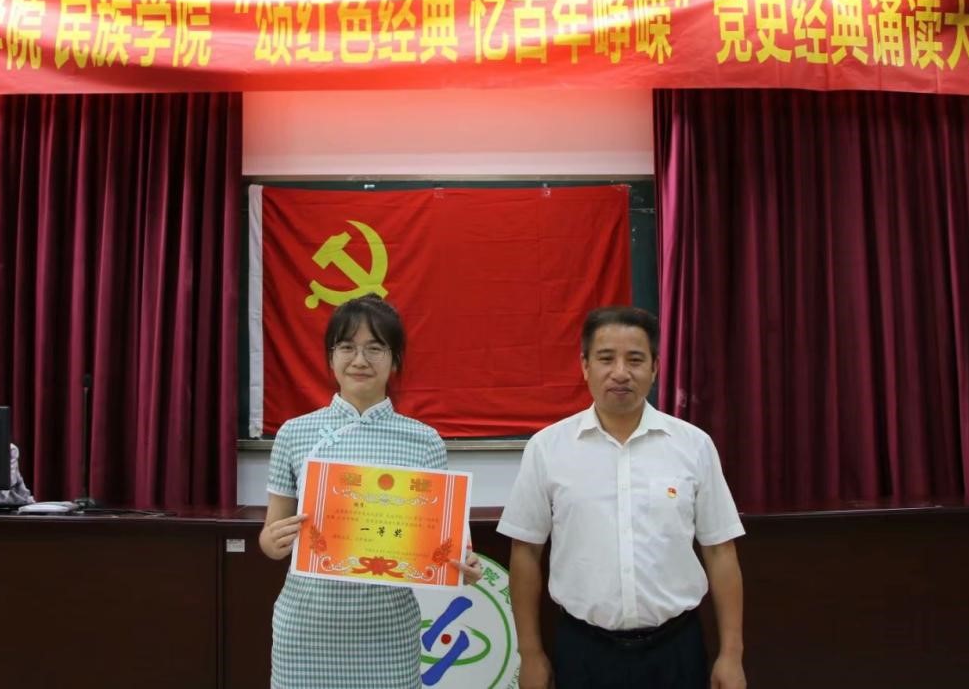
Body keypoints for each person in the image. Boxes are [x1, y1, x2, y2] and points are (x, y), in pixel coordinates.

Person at [499, 306, 747, 689]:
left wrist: (731, 655)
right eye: (605, 358)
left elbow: (720, 551)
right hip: (584, 650)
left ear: (655, 367)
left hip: (676, 649)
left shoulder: (693, 446)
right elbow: (526, 552)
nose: (620, 372)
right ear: (585, 366)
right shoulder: (547, 448)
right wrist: (530, 654)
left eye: (635, 359)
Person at [259, 293, 482, 689]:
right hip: (305, 628)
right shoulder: (294, 433)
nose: (359, 360)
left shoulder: (424, 441)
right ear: (330, 358)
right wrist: (273, 542)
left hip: (387, 631)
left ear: (395, 360)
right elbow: (269, 536)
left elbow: (442, 544)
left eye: (375, 348)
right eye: (347, 347)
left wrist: (461, 566)